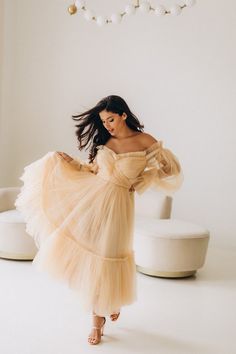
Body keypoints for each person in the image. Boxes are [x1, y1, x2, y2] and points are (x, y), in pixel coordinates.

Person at [15, 95, 184, 345]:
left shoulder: (144, 141)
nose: (107, 125)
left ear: (124, 115)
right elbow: (93, 169)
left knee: (111, 256)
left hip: (119, 207)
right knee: (94, 258)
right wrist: (72, 163)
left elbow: (171, 170)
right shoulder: (105, 140)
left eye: (111, 119)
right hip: (93, 200)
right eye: (104, 121)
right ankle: (96, 320)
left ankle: (110, 302)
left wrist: (146, 175)